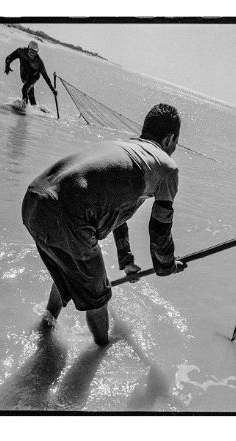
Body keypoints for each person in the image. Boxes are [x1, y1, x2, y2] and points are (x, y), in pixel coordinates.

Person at [21, 103, 186, 345]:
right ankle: (101, 351)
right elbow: (160, 230)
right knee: (99, 298)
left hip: (34, 200)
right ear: (170, 139)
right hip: (68, 217)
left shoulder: (124, 147)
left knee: (67, 270)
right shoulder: (166, 168)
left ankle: (46, 325)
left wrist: (127, 261)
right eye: (175, 144)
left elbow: (116, 211)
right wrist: (167, 265)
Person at [5, 40, 57, 107]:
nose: (32, 53)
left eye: (35, 51)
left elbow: (45, 76)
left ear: (37, 51)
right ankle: (35, 109)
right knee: (30, 95)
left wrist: (53, 89)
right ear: (28, 47)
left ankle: (24, 108)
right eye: (31, 50)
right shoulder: (21, 52)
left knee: (24, 89)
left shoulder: (39, 62)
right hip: (24, 75)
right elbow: (9, 57)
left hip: (33, 77)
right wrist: (7, 66)